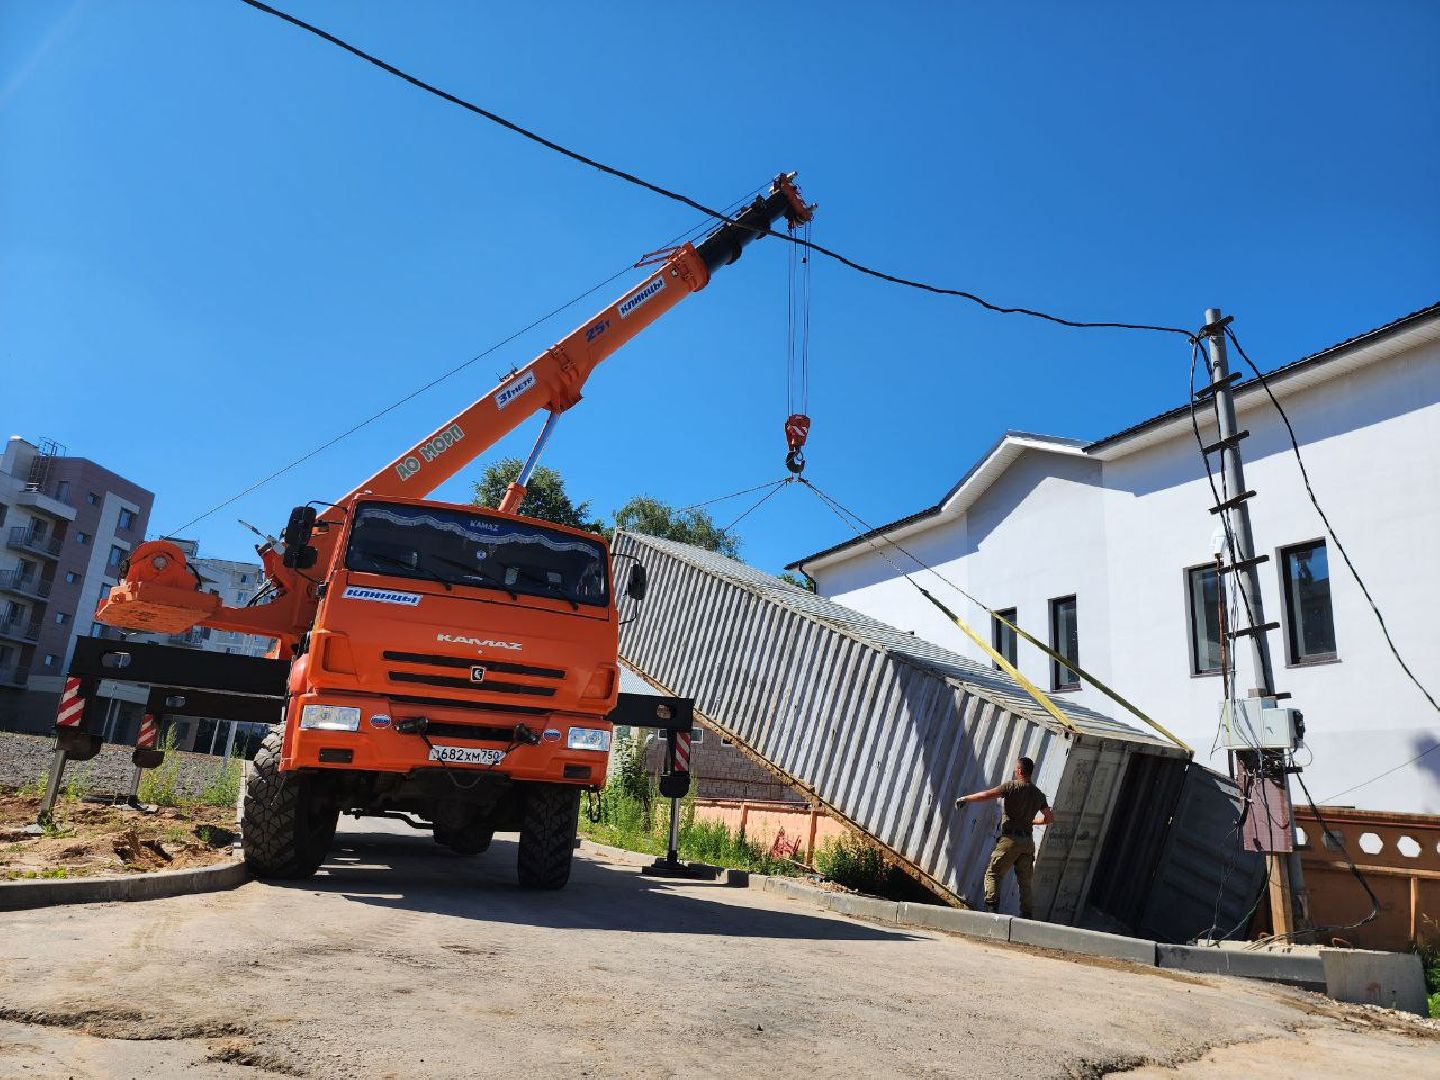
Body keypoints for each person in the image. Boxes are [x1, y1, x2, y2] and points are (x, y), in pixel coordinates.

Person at [954, 756, 1054, 919]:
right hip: (1027, 843)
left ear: (1020, 771)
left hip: (1009, 841)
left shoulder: (1011, 786)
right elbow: (1049, 818)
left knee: (993, 874)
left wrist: (966, 798)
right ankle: (1027, 916)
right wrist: (1032, 820)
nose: (1015, 771)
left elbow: (987, 795)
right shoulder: (1039, 794)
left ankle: (992, 913)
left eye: (1016, 769)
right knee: (1025, 882)